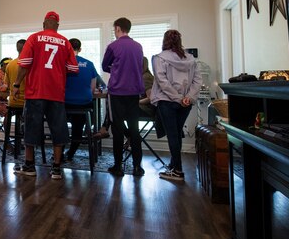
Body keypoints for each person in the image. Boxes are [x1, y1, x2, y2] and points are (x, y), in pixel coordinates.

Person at [12, 11, 79, 179]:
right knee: (59, 129)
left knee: (31, 128)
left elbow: (24, 64)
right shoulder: (65, 42)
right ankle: (56, 168)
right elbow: (73, 69)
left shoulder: (34, 38)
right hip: (56, 93)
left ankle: (29, 166)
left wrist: (16, 84)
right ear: (57, 26)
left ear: (43, 24)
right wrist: (58, 72)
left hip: (36, 92)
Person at [150, 29, 201, 181]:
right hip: (185, 103)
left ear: (164, 41)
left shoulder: (159, 58)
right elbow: (197, 81)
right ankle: (174, 164)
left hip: (168, 101)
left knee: (172, 134)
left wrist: (178, 98)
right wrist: (188, 97)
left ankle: (177, 170)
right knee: (177, 133)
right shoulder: (191, 59)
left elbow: (162, 82)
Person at [101, 17, 146, 176]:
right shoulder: (138, 46)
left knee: (118, 129)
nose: (115, 32)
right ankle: (137, 167)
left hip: (117, 92)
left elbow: (104, 66)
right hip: (134, 92)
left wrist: (115, 68)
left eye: (114, 29)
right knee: (134, 129)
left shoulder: (113, 46)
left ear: (118, 28)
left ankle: (118, 166)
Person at [63, 38, 99, 162]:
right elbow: (93, 88)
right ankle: (71, 153)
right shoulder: (89, 64)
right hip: (84, 103)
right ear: (80, 49)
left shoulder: (62, 63)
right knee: (77, 128)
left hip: (66, 103)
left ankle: (59, 152)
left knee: (59, 125)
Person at [3, 39, 27, 152]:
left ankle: (9, 141)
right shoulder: (30, 64)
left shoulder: (10, 65)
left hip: (13, 103)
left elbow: (6, 86)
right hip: (27, 102)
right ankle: (29, 143)